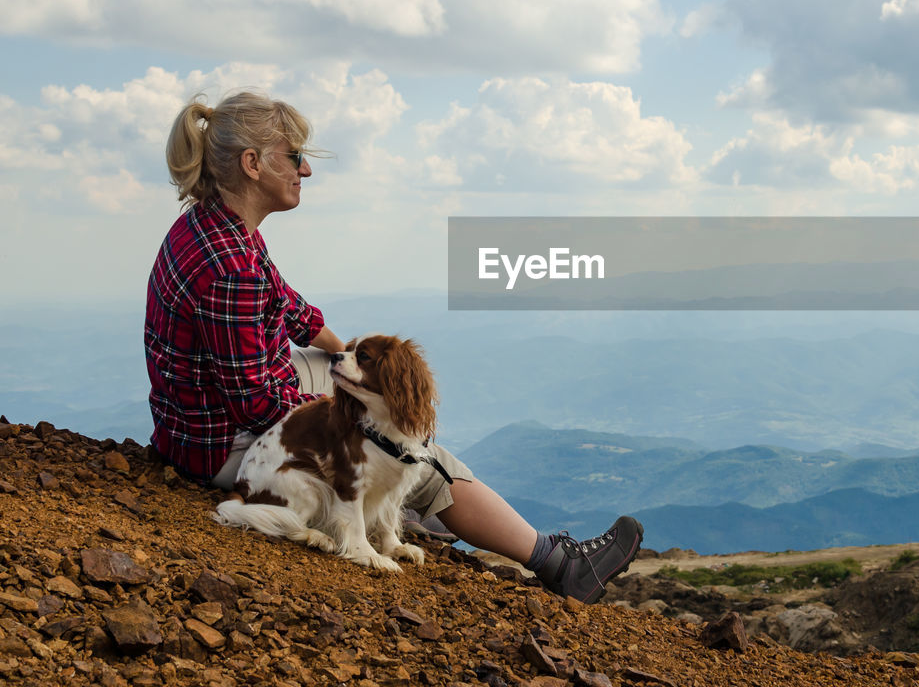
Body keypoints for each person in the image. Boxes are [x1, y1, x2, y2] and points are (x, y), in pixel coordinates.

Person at [144, 91, 642, 603]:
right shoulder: (231, 269)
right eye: (294, 157)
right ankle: (555, 561)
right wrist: (353, 416)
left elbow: (287, 305)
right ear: (252, 164)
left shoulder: (219, 228)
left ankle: (384, 502)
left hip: (198, 415)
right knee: (407, 442)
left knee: (380, 402)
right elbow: (253, 405)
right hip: (222, 443)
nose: (306, 171)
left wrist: (344, 356)